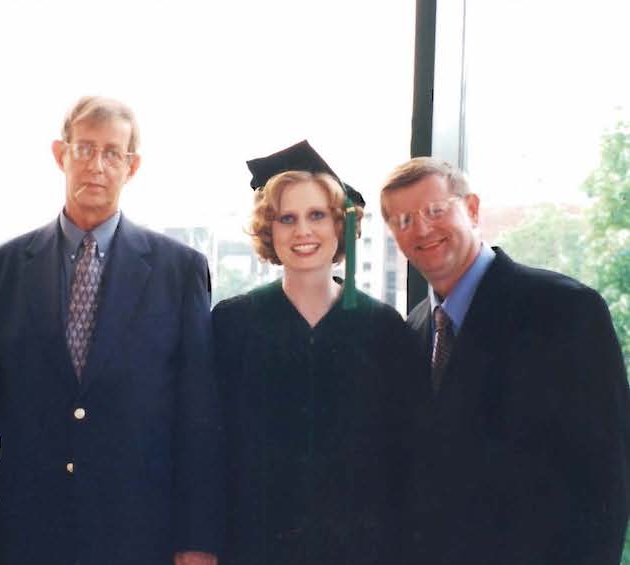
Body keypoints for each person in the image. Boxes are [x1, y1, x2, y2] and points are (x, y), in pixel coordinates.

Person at [0, 96, 222, 565]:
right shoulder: (1, 270)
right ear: (61, 155)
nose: (97, 165)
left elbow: (196, 419)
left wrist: (196, 541)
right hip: (30, 534)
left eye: (112, 153)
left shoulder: (180, 271)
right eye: (85, 149)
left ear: (131, 166)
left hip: (141, 533)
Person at [380, 156, 630, 565]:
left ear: (473, 209)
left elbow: (606, 480)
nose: (422, 229)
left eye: (435, 211)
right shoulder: (411, 332)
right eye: (404, 220)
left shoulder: (565, 309)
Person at [212, 141, 422, 565]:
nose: (302, 232)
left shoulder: (384, 329)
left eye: (317, 216)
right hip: (254, 546)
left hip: (363, 550)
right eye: (286, 218)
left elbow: (405, 458)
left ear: (341, 224)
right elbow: (212, 448)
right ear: (269, 230)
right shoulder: (233, 324)